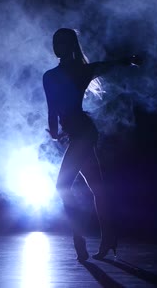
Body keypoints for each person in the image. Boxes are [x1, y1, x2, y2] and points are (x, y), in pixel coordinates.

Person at [43, 28, 139, 261]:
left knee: (62, 185)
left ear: (70, 45)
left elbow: (109, 65)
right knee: (98, 188)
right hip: (78, 134)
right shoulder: (51, 75)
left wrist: (128, 60)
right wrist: (55, 132)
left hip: (84, 134)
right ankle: (109, 237)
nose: (56, 45)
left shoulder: (79, 71)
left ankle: (79, 239)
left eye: (61, 41)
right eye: (54, 41)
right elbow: (52, 108)